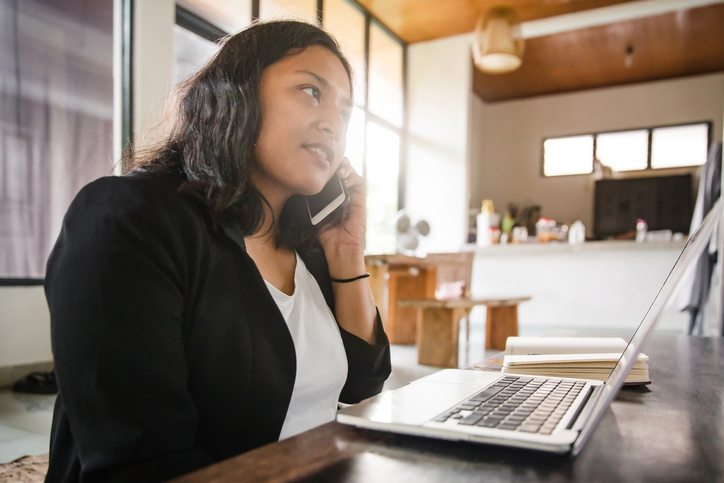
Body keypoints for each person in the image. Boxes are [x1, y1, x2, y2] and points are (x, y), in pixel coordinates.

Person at [44, 20, 391, 482]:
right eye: (311, 91)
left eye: (345, 113)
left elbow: (363, 381)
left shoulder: (306, 243)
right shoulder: (129, 218)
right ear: (238, 92)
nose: (333, 123)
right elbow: (141, 464)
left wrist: (347, 252)